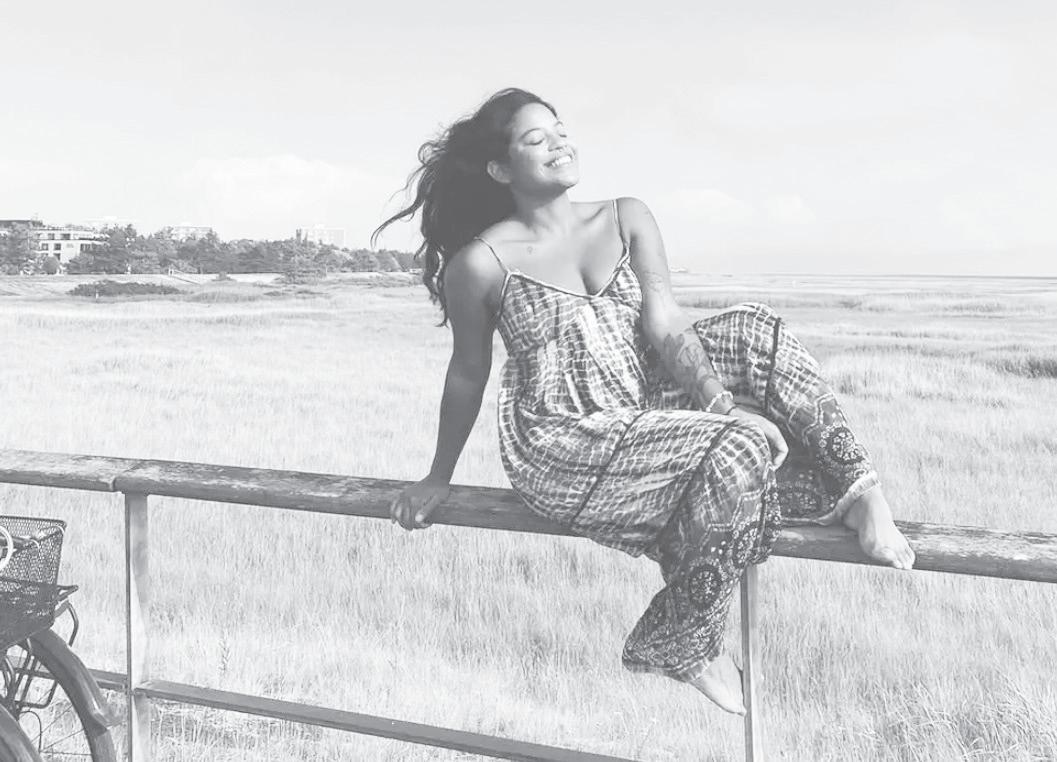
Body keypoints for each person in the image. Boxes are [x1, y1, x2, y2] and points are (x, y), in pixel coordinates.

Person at [378, 87, 915, 715]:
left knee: (754, 329)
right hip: (564, 437)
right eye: (536, 139)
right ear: (501, 169)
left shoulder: (625, 215)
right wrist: (437, 477)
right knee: (739, 449)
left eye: (560, 129)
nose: (559, 143)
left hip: (641, 399)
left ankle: (860, 493)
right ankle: (682, 638)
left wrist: (718, 403)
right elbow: (468, 373)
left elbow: (665, 321)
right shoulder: (479, 264)